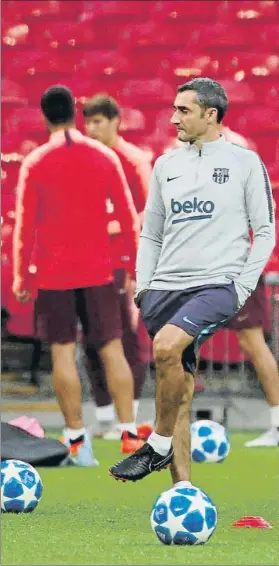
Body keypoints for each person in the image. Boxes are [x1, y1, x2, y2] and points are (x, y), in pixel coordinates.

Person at [109, 77, 276, 483]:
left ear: (210, 114)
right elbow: (151, 233)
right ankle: (181, 489)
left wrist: (241, 285)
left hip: (216, 284)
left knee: (167, 346)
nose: (173, 118)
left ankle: (157, 446)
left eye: (183, 110)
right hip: (165, 287)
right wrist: (145, 285)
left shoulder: (244, 163)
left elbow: (265, 230)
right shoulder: (166, 165)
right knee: (178, 386)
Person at [12, 85, 143, 467]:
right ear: (75, 112)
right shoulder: (104, 156)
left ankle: (76, 443)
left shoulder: (35, 162)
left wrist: (22, 276)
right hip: (100, 271)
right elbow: (128, 217)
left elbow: (25, 228)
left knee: (63, 352)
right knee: (112, 348)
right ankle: (130, 433)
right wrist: (136, 268)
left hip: (54, 274)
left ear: (44, 116)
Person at [82, 95, 153, 443]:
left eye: (98, 122)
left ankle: (132, 415)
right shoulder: (86, 160)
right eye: (88, 122)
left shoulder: (134, 160)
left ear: (115, 121)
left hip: (123, 264)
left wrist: (108, 226)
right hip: (88, 264)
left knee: (125, 339)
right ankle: (105, 416)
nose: (92, 129)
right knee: (92, 340)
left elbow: (149, 212)